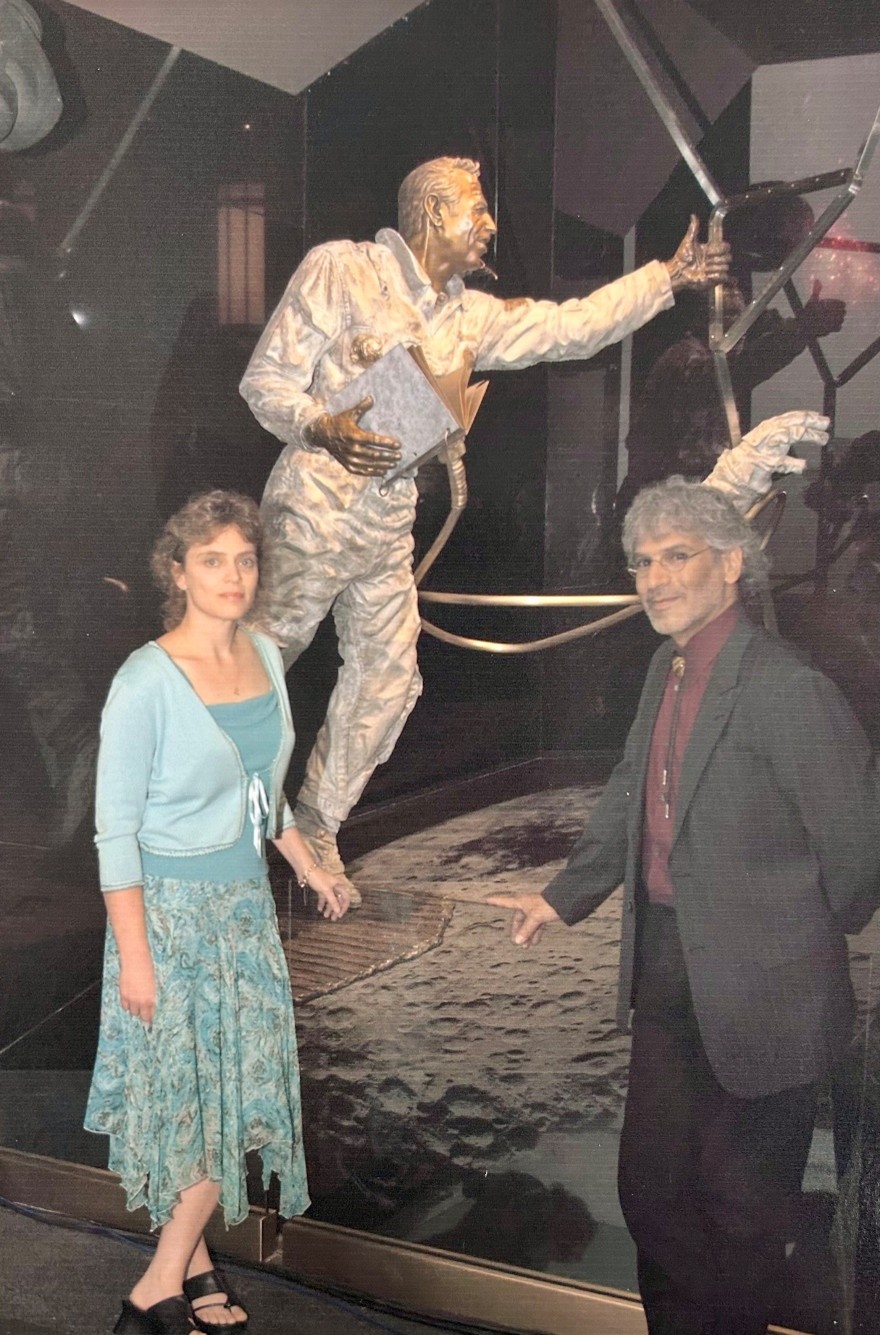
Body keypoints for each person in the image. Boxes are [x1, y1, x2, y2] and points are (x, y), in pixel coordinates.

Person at [238, 155, 733, 905]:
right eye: (478, 208)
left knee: (391, 672)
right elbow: (264, 379)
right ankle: (218, 825)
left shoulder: (470, 314)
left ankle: (317, 824)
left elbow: (570, 328)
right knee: (256, 666)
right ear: (433, 214)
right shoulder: (343, 270)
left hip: (386, 513)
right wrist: (320, 425)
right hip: (315, 497)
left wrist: (663, 278)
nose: (490, 224)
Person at [488, 478, 880, 1335]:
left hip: (768, 991)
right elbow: (633, 791)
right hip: (666, 971)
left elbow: (860, 847)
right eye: (642, 561)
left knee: (742, 1211)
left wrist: (795, 935)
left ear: (732, 563)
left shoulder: (787, 688)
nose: (655, 577)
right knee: (653, 1190)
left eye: (677, 556)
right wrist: (563, 897)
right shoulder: (665, 670)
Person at [85, 491, 350, 1335]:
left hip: (241, 915)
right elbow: (114, 834)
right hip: (163, 920)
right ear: (178, 572)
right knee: (199, 1102)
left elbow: (262, 796)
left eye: (245, 559)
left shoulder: (268, 657)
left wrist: (311, 866)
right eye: (212, 559)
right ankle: (153, 1291)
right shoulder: (145, 680)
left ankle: (191, 1270)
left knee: (222, 1096)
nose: (233, 576)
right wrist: (135, 959)